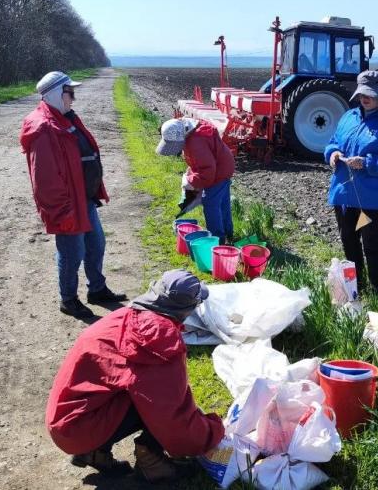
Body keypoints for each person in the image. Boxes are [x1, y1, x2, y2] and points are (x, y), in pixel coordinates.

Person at [46, 269, 225, 482]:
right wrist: (213, 431)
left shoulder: (125, 315)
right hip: (80, 429)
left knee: (139, 387)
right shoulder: (159, 341)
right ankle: (151, 461)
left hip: (65, 421)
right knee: (157, 398)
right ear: (188, 309)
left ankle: (93, 451)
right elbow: (172, 418)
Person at [20, 71, 127, 319]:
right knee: (71, 253)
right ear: (57, 94)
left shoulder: (64, 118)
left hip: (84, 198)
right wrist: (61, 211)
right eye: (71, 93)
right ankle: (68, 300)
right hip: (68, 204)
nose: (73, 98)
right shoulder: (44, 128)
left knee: (96, 244)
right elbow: (44, 180)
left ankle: (97, 289)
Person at [324, 70, 378, 295]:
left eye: (371, 94)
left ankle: (375, 288)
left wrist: (367, 162)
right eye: (363, 94)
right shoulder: (349, 117)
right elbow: (333, 142)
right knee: (348, 240)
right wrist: (333, 154)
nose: (366, 98)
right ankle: (355, 285)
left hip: (372, 197)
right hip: (345, 193)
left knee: (371, 243)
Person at [156, 117, 236, 244]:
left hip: (219, 173)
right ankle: (228, 233)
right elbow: (202, 162)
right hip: (224, 167)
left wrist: (190, 181)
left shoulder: (195, 143)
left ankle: (218, 240)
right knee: (222, 203)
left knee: (211, 203)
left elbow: (207, 172)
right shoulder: (191, 131)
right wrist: (192, 171)